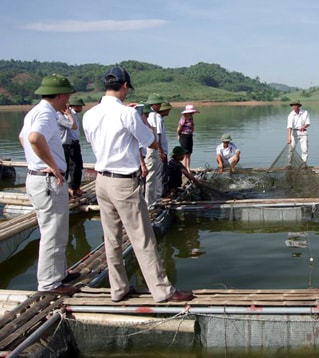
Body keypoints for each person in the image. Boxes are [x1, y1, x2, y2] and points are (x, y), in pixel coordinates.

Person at [82, 66, 193, 302]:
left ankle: (118, 290)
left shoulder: (89, 115)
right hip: (123, 182)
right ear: (124, 86)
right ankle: (162, 291)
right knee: (142, 237)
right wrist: (141, 119)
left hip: (101, 181)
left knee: (111, 239)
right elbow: (151, 142)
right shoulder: (127, 114)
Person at [19, 74, 78, 295]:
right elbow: (34, 138)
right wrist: (52, 164)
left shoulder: (35, 112)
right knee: (53, 232)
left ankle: (59, 273)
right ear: (61, 94)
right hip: (47, 181)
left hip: (38, 178)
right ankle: (50, 284)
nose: (68, 100)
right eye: (68, 95)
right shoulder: (45, 113)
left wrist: (34, 161)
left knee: (57, 231)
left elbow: (22, 138)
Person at [60, 96, 85, 197]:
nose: (81, 108)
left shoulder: (72, 114)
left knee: (78, 166)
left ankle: (76, 187)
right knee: (73, 166)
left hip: (74, 143)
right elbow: (72, 126)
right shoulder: (67, 115)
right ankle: (71, 189)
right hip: (68, 144)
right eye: (80, 106)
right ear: (75, 106)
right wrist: (69, 115)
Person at [144, 93, 166, 206]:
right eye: (159, 104)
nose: (160, 106)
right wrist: (161, 151)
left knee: (152, 175)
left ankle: (153, 199)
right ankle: (149, 202)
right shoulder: (155, 116)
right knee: (151, 176)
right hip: (153, 149)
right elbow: (157, 135)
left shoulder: (149, 116)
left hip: (151, 149)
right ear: (155, 104)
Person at [177, 104, 200, 171]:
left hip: (189, 135)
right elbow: (179, 128)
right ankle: (184, 168)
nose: (192, 113)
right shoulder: (183, 118)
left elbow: (192, 126)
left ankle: (188, 167)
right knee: (184, 153)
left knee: (189, 152)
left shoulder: (191, 118)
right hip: (184, 136)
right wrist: (179, 135)